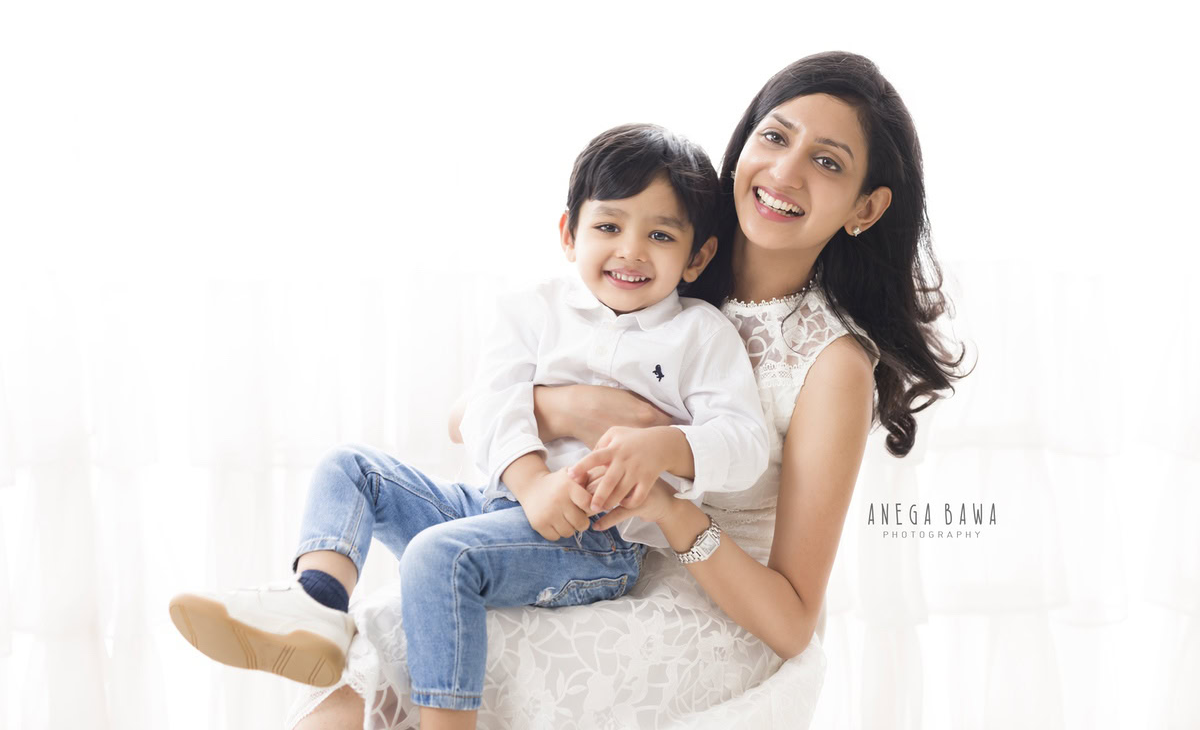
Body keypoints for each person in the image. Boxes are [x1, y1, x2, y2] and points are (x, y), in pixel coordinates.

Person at [285, 50, 967, 729]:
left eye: (828, 161)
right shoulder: (660, 253)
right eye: (776, 136)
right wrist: (572, 407)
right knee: (362, 664)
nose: (786, 171)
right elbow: (468, 416)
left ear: (866, 206)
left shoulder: (832, 364)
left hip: (701, 607)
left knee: (418, 638)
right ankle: (309, 609)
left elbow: (792, 623)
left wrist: (672, 511)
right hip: (557, 519)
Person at [169, 123, 773, 730]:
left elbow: (747, 444)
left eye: (660, 235)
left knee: (437, 556)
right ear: (569, 233)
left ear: (698, 255)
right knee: (349, 466)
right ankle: (317, 604)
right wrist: (532, 481)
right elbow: (491, 401)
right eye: (609, 226)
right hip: (497, 500)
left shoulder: (700, 335)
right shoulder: (534, 307)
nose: (631, 250)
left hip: (594, 541)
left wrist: (667, 444)